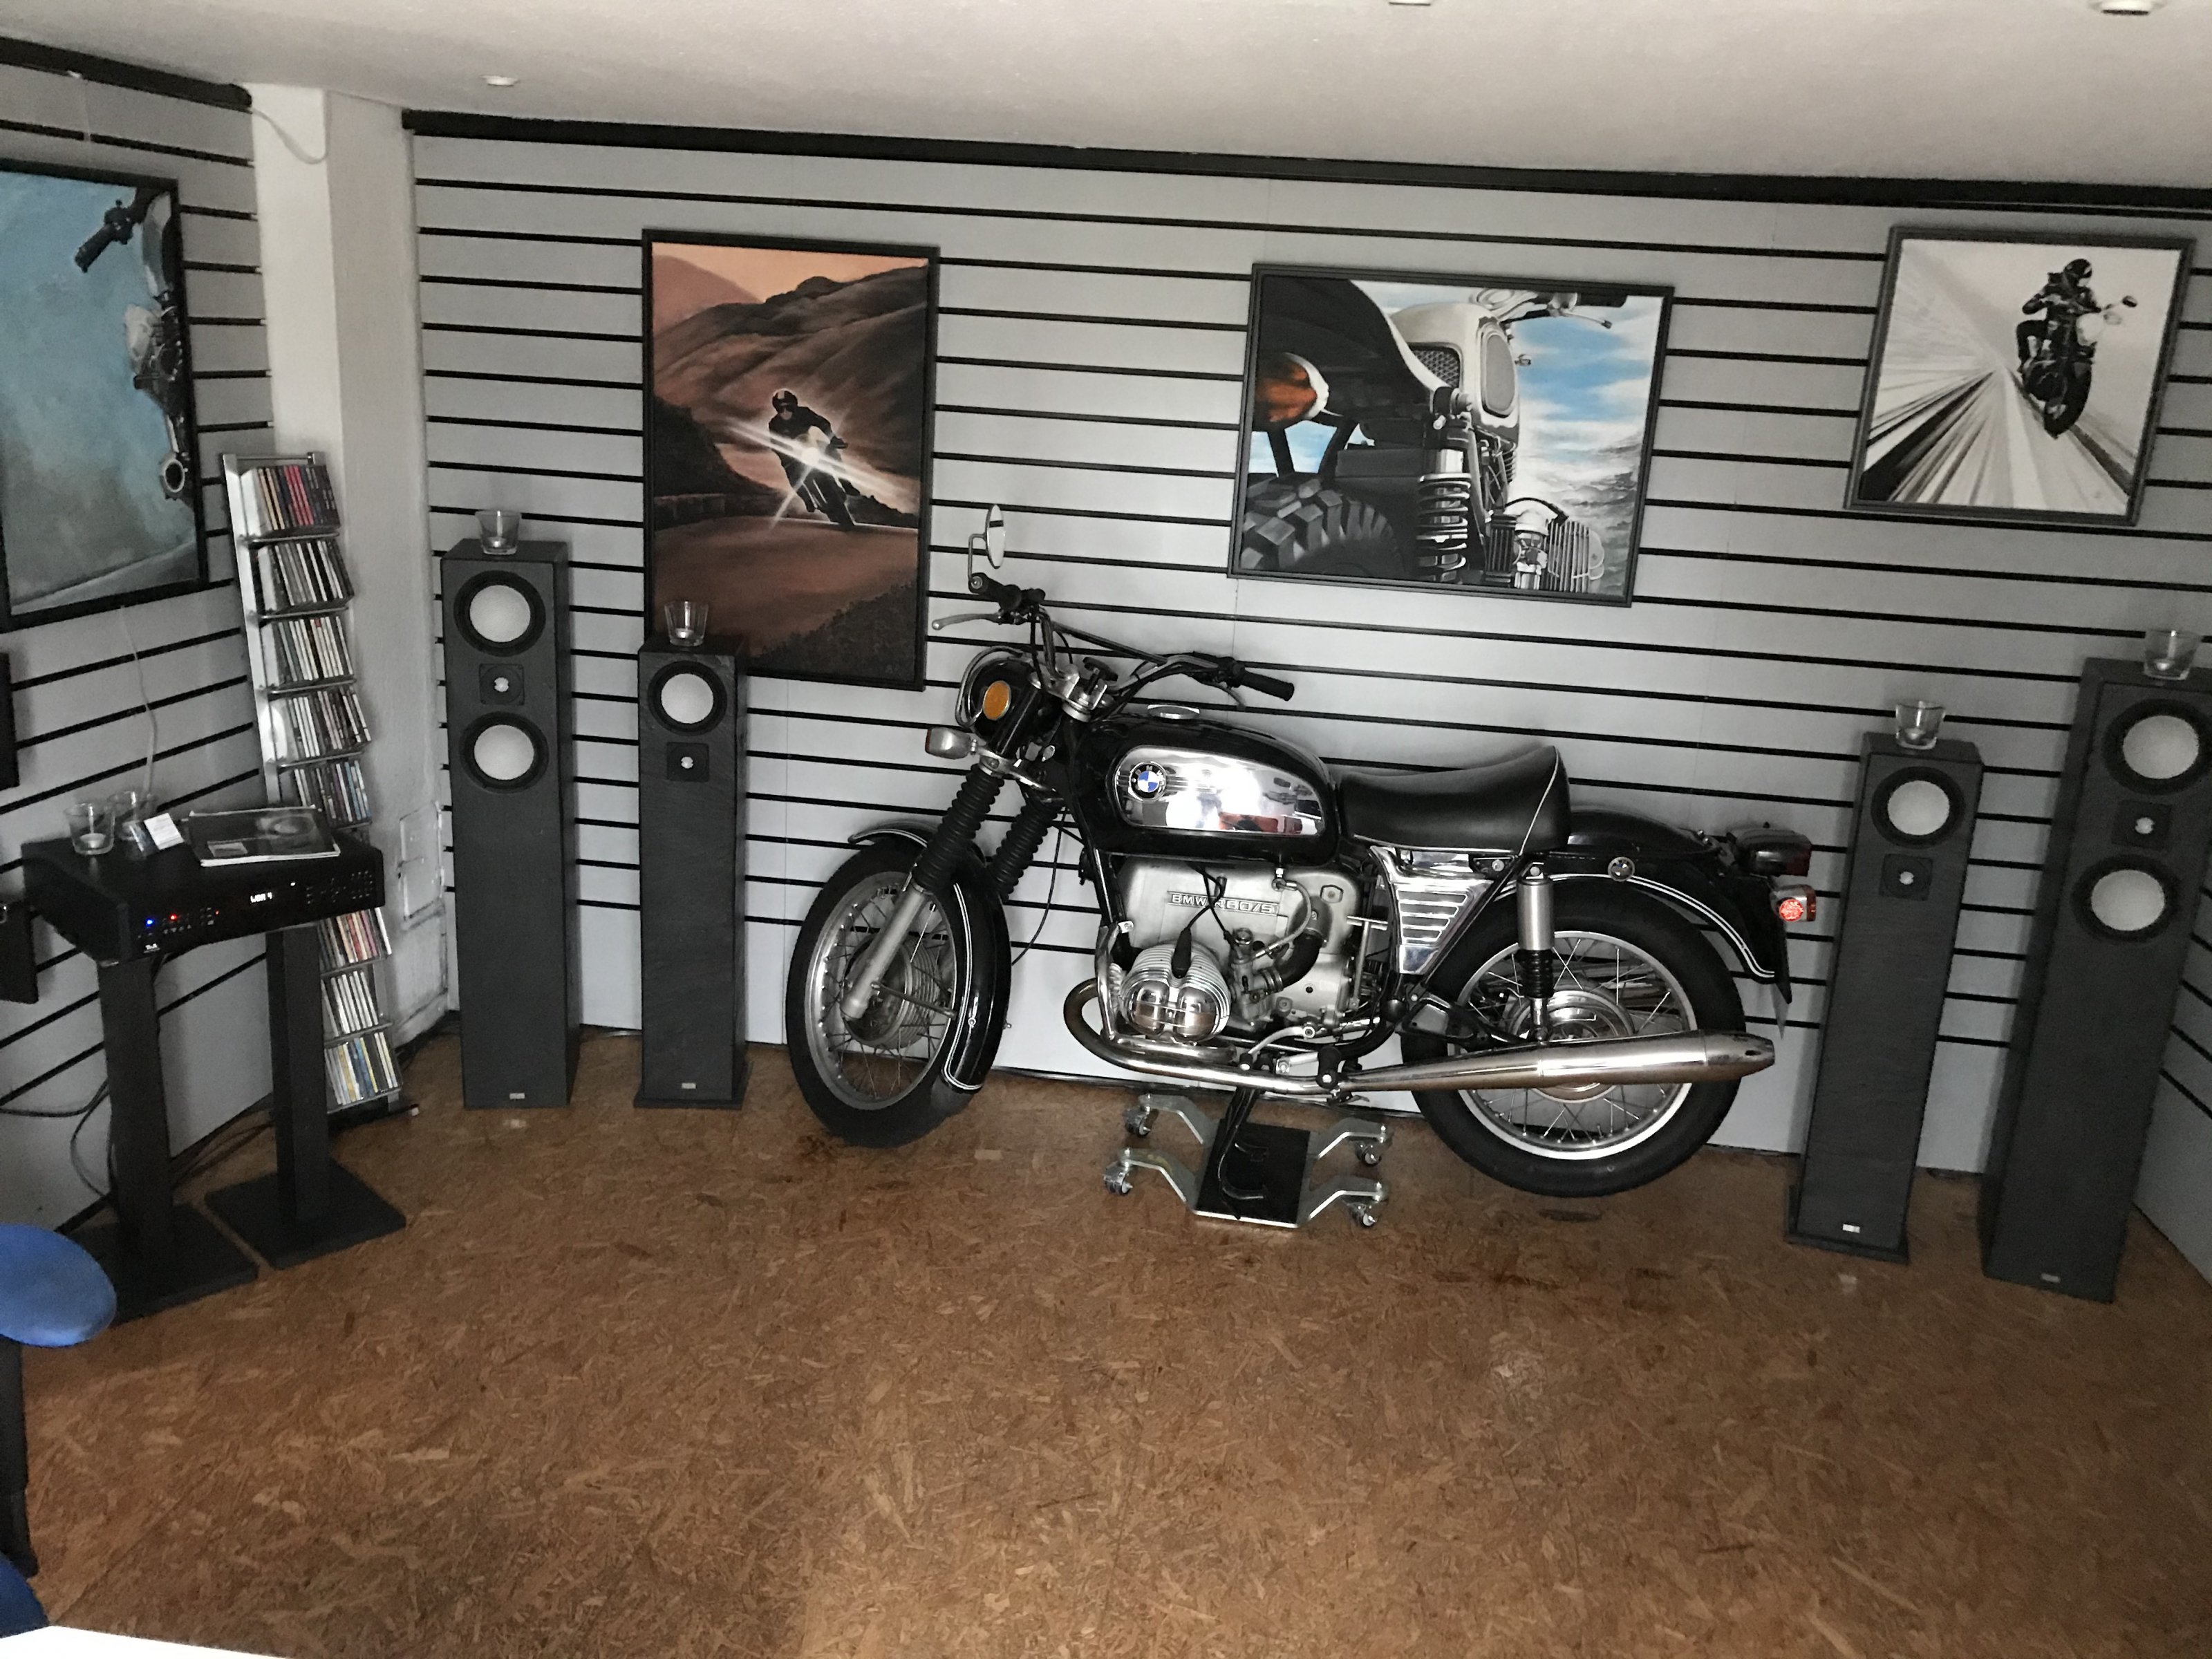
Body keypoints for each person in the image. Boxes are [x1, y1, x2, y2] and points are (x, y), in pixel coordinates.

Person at [2018, 258, 2098, 375]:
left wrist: (2105, 313)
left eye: (2081, 281)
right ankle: (2025, 362)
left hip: (2075, 334)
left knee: (2088, 342)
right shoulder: (2052, 287)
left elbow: (2096, 311)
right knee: (2023, 328)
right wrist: (2044, 301)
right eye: (2074, 279)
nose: (2076, 284)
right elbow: (2028, 307)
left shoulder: (2087, 294)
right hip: (2053, 328)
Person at [767, 389, 838, 507]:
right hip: (791, 454)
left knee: (832, 454)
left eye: (789, 407)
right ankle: (807, 500)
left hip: (810, 445)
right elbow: (774, 443)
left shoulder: (804, 413)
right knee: (792, 476)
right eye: (780, 409)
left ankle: (843, 485)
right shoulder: (774, 424)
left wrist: (833, 438)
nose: (785, 411)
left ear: (794, 406)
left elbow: (822, 423)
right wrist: (784, 456)